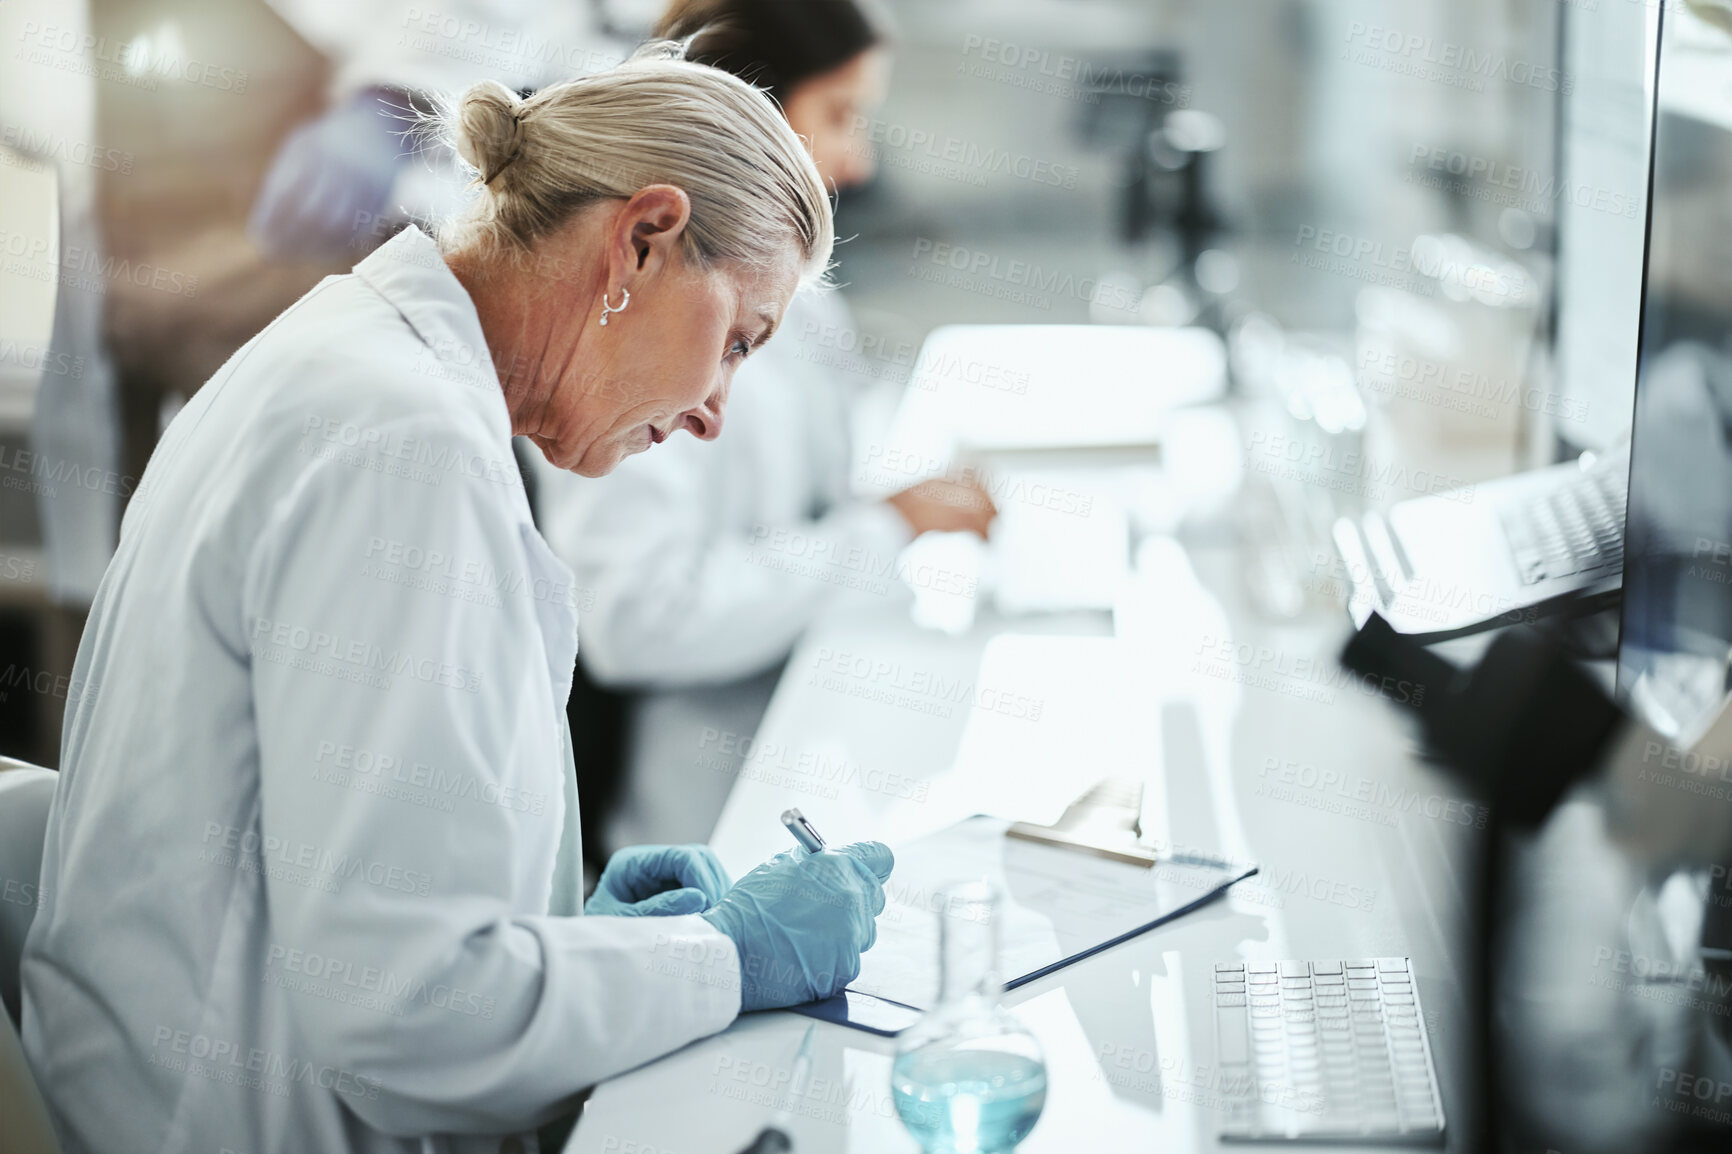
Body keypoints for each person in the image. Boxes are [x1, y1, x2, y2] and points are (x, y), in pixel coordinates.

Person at [20, 49, 892, 1153]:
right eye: (734, 341)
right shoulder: (405, 443)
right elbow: (412, 1022)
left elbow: (361, 873)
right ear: (641, 237)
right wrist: (724, 957)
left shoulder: (354, 359)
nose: (717, 410)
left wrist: (573, 933)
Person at [533, 0, 996, 854]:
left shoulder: (795, 302)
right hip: (703, 821)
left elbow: (800, 497)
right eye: (840, 115)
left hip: (804, 751)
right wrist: (882, 529)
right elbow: (633, 618)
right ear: (752, 116)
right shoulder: (635, 333)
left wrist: (887, 515)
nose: (858, 159)